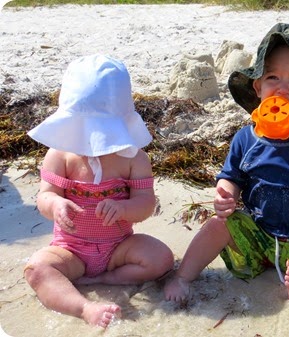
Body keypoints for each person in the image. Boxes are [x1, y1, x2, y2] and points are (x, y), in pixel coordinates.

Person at [164, 23, 289, 303]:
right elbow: (231, 176)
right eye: (273, 78)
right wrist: (225, 194)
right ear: (258, 87)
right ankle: (182, 277)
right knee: (217, 225)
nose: (284, 90)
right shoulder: (245, 138)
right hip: (259, 237)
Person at [25, 54, 174, 328]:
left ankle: (107, 278)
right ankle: (83, 307)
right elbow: (44, 196)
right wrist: (56, 204)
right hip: (70, 249)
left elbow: (146, 203)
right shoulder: (60, 155)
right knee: (38, 269)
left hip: (119, 247)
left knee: (162, 258)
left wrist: (124, 208)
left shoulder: (133, 157)